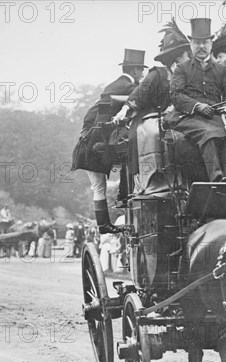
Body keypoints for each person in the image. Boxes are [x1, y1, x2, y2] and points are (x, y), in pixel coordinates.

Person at [71, 49, 147, 233]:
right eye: (141, 72)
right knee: (100, 185)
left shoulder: (116, 84)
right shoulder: (128, 87)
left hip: (89, 141)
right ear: (136, 70)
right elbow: (142, 96)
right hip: (93, 144)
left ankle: (107, 222)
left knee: (99, 186)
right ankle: (107, 222)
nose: (142, 75)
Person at [112, 19, 191, 192]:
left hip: (180, 118)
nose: (186, 60)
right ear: (174, 59)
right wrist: (125, 110)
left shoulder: (191, 76)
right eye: (184, 56)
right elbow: (139, 94)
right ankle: (154, 184)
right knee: (155, 133)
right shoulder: (158, 75)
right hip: (151, 119)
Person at [170, 18, 226, 182]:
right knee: (208, 133)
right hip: (188, 117)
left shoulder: (222, 70)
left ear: (211, 44)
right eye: (197, 43)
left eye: (205, 43)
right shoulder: (181, 69)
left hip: (214, 117)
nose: (201, 47)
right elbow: (176, 95)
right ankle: (215, 177)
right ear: (191, 44)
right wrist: (197, 106)